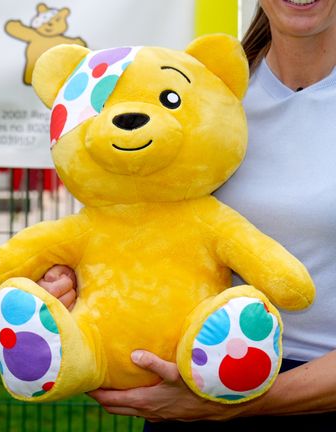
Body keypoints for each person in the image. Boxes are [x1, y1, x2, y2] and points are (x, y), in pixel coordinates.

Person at [37, 0, 336, 429]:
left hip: (309, 396)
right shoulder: (201, 93)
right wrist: (75, 279)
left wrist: (237, 403)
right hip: (183, 387)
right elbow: (132, 224)